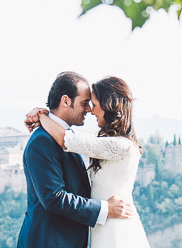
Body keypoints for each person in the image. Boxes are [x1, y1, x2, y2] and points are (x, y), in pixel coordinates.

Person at [24, 75, 152, 248]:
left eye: (92, 104)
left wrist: (42, 116)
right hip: (50, 241)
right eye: (85, 103)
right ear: (66, 101)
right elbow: (53, 198)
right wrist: (105, 209)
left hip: (107, 231)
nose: (89, 110)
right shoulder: (42, 141)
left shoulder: (94, 142)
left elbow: (65, 140)